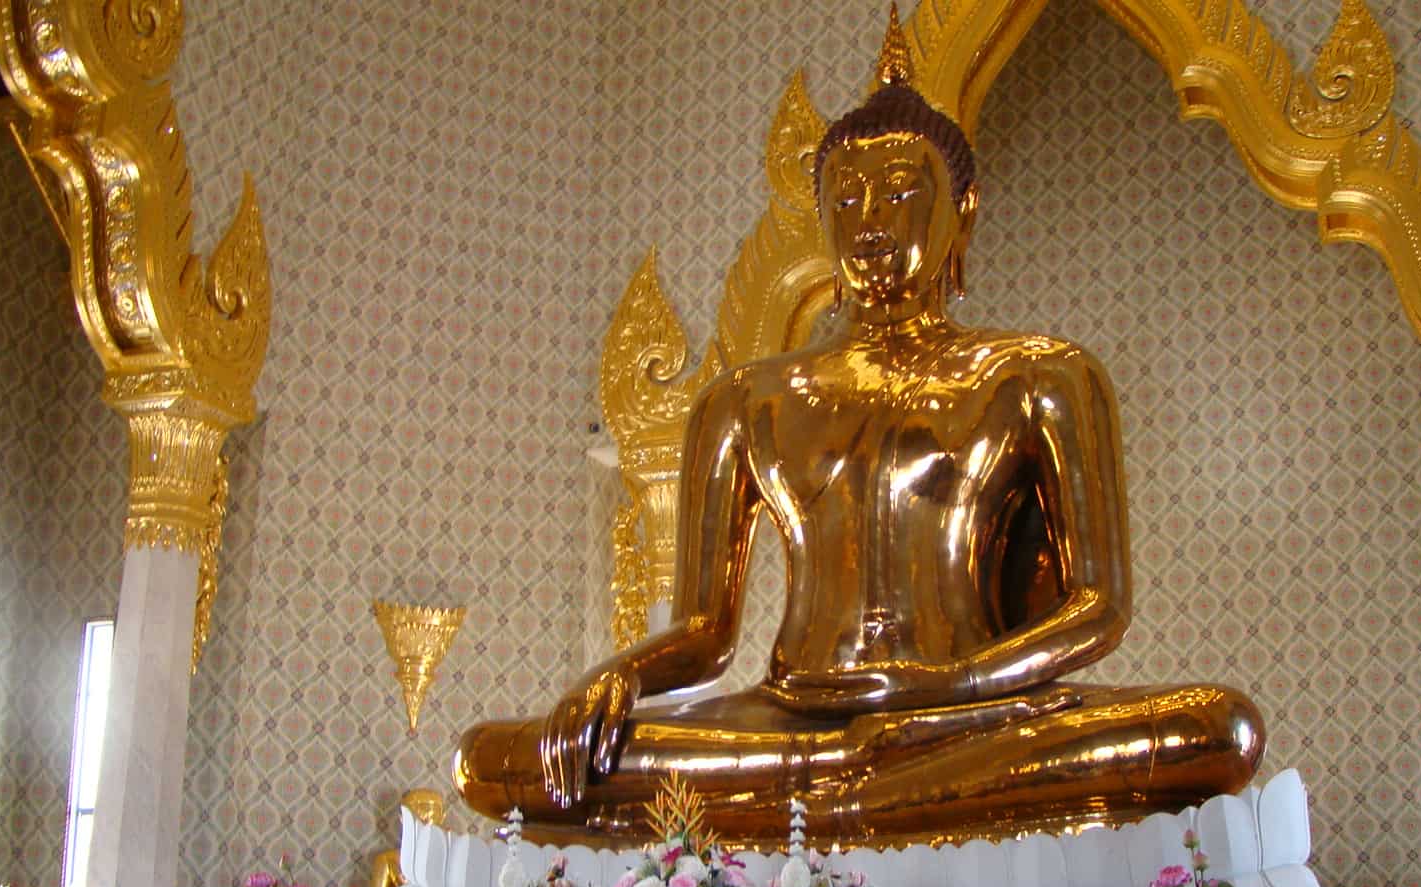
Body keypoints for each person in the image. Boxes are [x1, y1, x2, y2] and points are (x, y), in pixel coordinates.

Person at [455, 11, 1264, 845]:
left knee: (1215, 729)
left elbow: (1098, 608)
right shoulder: (746, 400)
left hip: (975, 714)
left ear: (964, 210)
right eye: (845, 200)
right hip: (793, 716)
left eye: (902, 192)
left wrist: (952, 685)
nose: (871, 220)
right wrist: (614, 678)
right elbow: (705, 634)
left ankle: (842, 800)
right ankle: (877, 793)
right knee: (494, 761)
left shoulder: (1040, 376)